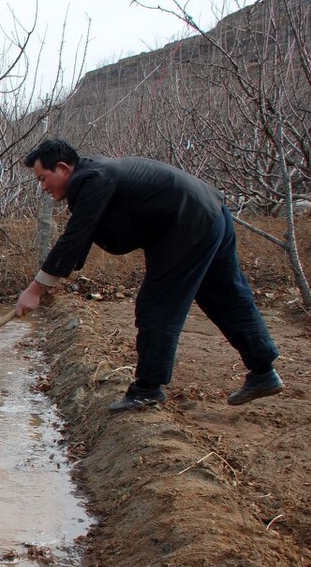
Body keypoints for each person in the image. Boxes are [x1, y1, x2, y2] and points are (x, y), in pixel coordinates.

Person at [15, 139, 282, 413]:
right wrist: (54, 280)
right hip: (211, 214)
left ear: (62, 168)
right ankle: (263, 370)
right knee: (225, 295)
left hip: (186, 223)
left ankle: (147, 389)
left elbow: (75, 236)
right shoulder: (95, 174)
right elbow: (83, 237)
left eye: (43, 178)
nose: (43, 187)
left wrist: (35, 289)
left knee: (157, 304)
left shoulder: (91, 179)